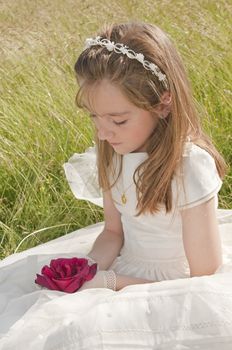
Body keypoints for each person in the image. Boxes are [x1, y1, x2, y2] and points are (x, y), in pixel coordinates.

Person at [0, 21, 232, 349]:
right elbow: (113, 233)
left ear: (163, 103)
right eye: (94, 117)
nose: (103, 132)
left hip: (174, 289)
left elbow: (202, 279)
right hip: (124, 266)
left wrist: (110, 282)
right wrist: (84, 271)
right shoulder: (114, 152)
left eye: (118, 120)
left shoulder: (188, 166)